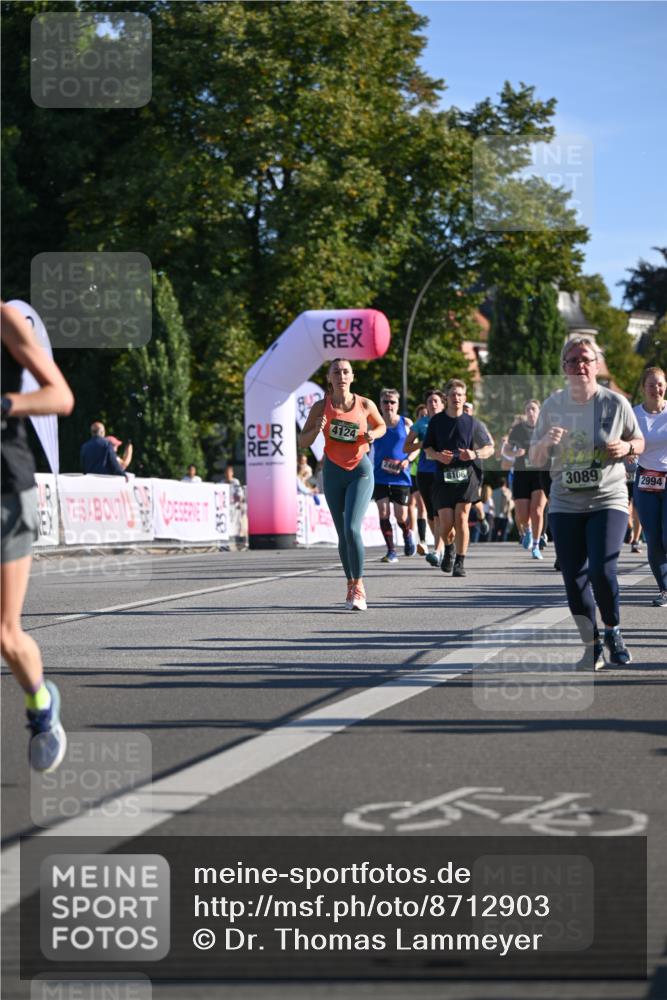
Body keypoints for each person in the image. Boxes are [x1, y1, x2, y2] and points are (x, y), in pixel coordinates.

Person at [530, 336, 644, 668]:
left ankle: (614, 630)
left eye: (586, 359)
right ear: (564, 367)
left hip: (608, 497)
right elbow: (535, 458)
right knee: (573, 576)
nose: (580, 365)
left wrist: (627, 449)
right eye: (572, 360)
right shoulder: (552, 406)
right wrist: (546, 443)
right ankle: (591, 644)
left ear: (596, 365)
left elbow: (638, 439)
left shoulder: (615, 403)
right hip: (565, 502)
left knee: (601, 569)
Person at [1, 301, 74, 771]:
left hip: (6, 490)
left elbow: (59, 397)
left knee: (5, 634)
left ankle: (41, 705)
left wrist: (6, 404)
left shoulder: (5, 319)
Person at [298, 358, 385, 610]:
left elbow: (381, 426)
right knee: (342, 534)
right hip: (333, 473)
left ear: (352, 376)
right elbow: (303, 441)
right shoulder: (320, 406)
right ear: (329, 378)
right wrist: (316, 429)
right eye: (336, 372)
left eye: (346, 371)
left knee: (352, 528)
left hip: (360, 471)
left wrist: (372, 434)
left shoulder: (365, 404)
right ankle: (350, 584)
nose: (341, 376)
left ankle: (359, 586)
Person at [423, 378, 495, 577]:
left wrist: (474, 454)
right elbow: (427, 448)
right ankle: (449, 549)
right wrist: (438, 456)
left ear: (465, 398)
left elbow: (490, 448)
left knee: (461, 517)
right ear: (446, 398)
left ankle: (460, 562)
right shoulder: (437, 421)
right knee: (445, 524)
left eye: (460, 395)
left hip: (466, 476)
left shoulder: (472, 423)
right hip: (443, 477)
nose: (457, 398)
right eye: (453, 394)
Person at [632, 366, 667, 606]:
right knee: (653, 538)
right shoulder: (633, 414)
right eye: (652, 384)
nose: (657, 388)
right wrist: (628, 453)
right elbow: (625, 442)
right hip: (645, 479)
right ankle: (665, 589)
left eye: (660, 384)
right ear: (644, 388)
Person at [372, 388, 418, 563]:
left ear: (397, 404)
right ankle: (391, 551)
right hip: (380, 475)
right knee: (383, 512)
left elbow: (416, 447)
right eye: (385, 402)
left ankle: (407, 533)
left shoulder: (406, 423)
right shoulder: (374, 423)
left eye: (392, 402)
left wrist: (408, 461)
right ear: (380, 404)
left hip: (400, 476)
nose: (389, 405)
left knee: (401, 516)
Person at [403, 389, 446, 565]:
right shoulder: (421, 424)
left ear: (443, 404)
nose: (433, 404)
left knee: (442, 511)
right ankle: (439, 546)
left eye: (436, 401)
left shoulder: (449, 422)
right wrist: (422, 443)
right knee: (430, 513)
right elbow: (406, 447)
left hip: (443, 471)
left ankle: (438, 549)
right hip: (424, 472)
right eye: (430, 401)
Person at [503, 400, 548, 560]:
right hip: (522, 474)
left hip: (540, 473)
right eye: (528, 409)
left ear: (539, 411)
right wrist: (515, 454)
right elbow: (506, 449)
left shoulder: (545, 428)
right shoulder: (518, 429)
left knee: (537, 510)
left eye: (533, 409)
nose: (530, 412)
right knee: (522, 515)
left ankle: (536, 546)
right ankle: (528, 529)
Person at [408, 404, 429, 555]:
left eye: (425, 415)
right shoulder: (416, 432)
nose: (423, 418)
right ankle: (413, 537)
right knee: (412, 504)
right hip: (414, 472)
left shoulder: (432, 431)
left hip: (428, 472)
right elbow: (409, 449)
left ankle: (422, 540)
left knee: (422, 506)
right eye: (421, 415)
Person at [492, 477, 514, 542]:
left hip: (496, 514)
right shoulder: (508, 492)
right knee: (504, 532)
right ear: (505, 483)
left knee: (495, 531)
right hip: (505, 514)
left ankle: (493, 543)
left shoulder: (494, 492)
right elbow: (510, 503)